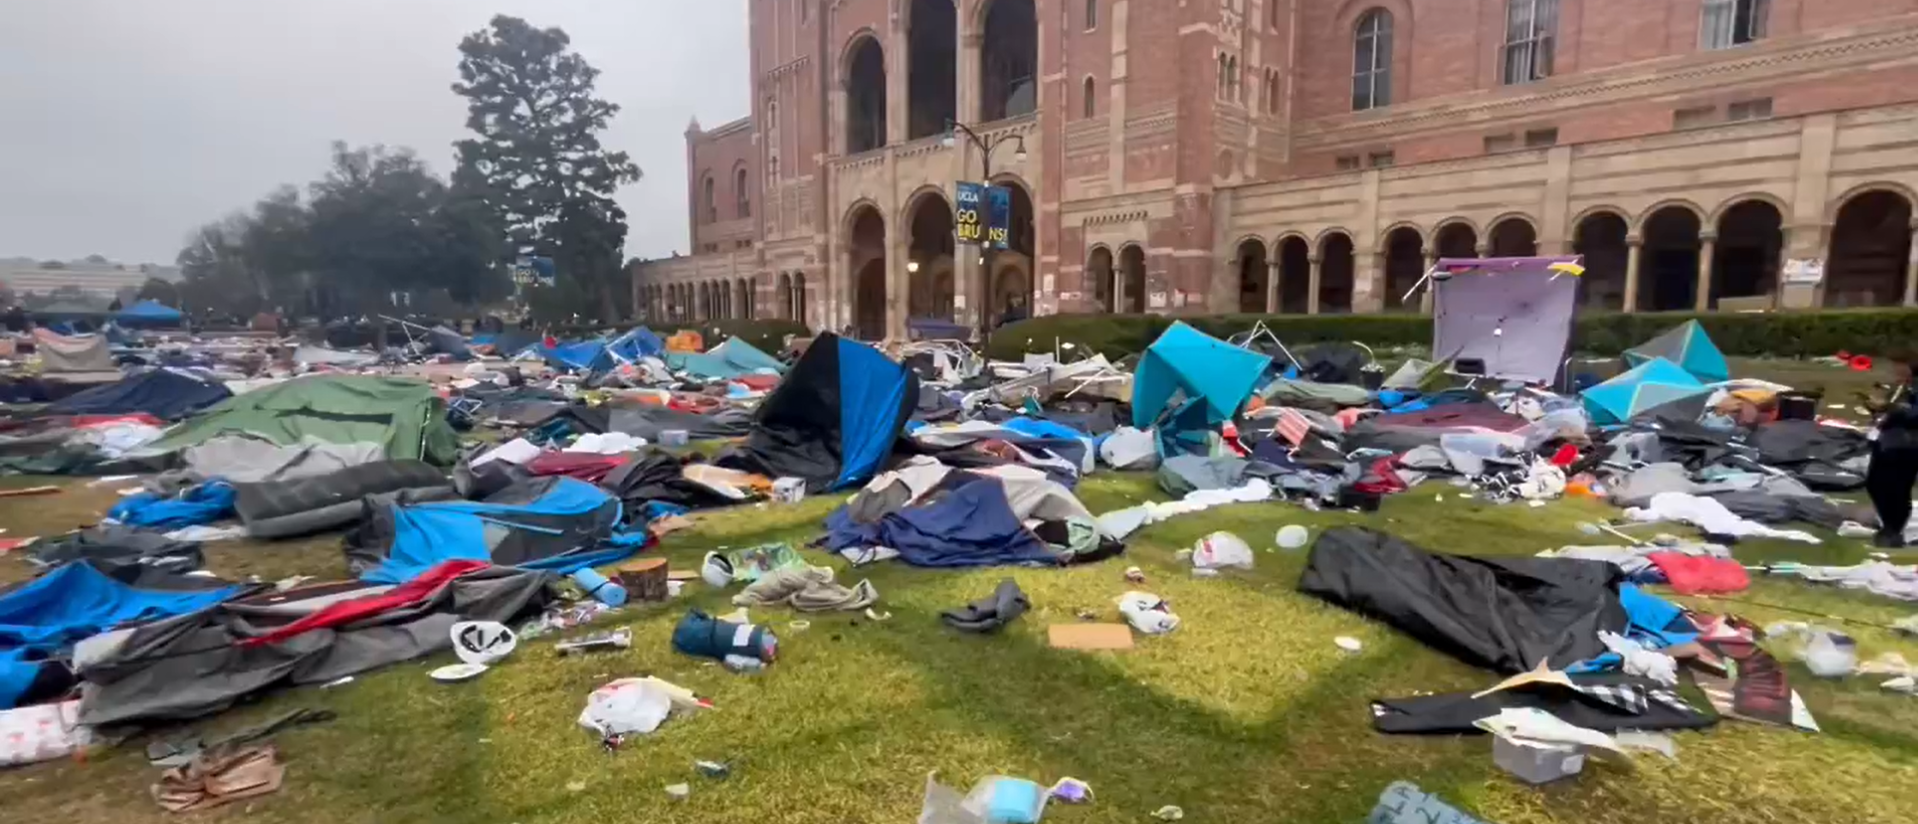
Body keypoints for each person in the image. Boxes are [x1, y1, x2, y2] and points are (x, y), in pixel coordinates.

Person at [1867, 351, 1918, 548]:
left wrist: (1895, 411)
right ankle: (1889, 525)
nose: (1895, 371)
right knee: (1875, 483)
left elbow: (1912, 414)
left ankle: (1893, 529)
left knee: (1898, 488)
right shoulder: (1901, 386)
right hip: (1888, 440)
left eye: (1899, 366)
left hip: (1908, 444)